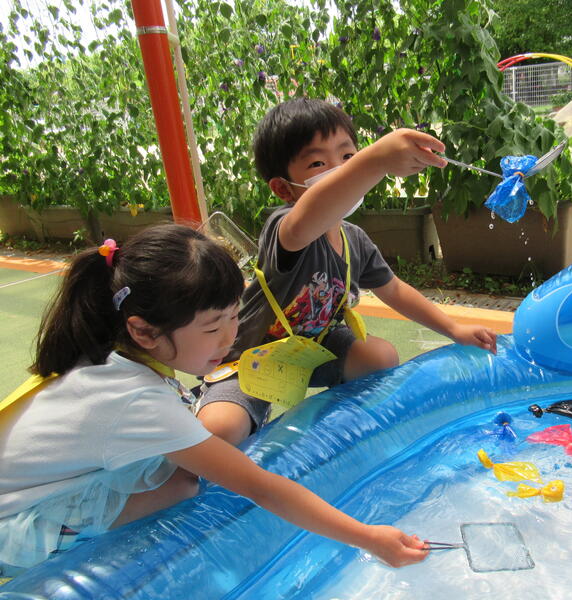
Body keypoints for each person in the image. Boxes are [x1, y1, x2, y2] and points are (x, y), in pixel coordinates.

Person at [0, 225, 428, 575]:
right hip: (12, 524)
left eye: (233, 316)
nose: (230, 338)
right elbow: (261, 487)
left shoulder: (109, 354)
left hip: (34, 486)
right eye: (212, 327)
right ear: (143, 331)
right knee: (182, 485)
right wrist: (368, 536)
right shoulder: (135, 400)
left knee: (179, 473)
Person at [197, 98, 498, 445]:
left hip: (317, 345)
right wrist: (375, 160)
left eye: (348, 157)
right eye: (318, 163)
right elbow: (312, 213)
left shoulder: (354, 239)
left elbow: (394, 290)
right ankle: (236, 406)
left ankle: (330, 429)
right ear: (283, 188)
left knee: (380, 357)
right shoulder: (287, 227)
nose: (341, 170)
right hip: (256, 355)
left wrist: (454, 328)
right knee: (221, 429)